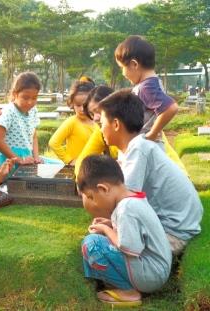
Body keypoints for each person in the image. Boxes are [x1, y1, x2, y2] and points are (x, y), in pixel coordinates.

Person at [99, 89, 203, 255]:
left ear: (116, 124)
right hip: (179, 223)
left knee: (105, 249)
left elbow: (126, 199)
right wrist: (112, 223)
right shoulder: (136, 146)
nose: (101, 129)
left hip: (174, 233)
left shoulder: (138, 149)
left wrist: (110, 227)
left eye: (102, 123)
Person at [78, 155, 172, 307]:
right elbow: (135, 231)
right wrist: (110, 223)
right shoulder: (132, 199)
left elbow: (128, 247)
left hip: (151, 275)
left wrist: (105, 229)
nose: (92, 202)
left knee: (91, 244)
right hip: (156, 270)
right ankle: (120, 283)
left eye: (91, 196)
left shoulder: (126, 209)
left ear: (103, 189)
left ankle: (128, 291)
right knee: (97, 240)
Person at [115, 35, 179, 150]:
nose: (122, 73)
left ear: (134, 64)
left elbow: (171, 108)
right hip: (147, 145)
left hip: (146, 146)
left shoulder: (146, 87)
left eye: (122, 68)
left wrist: (152, 134)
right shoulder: (150, 83)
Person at [0, 72, 42, 165]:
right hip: (10, 161)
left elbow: (33, 136)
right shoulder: (9, 111)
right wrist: (18, 159)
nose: (30, 102)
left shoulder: (33, 110)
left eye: (34, 98)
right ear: (15, 94)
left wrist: (37, 157)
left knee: (58, 165)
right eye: (25, 98)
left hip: (27, 158)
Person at [49, 80, 97, 165]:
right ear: (72, 104)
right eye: (78, 105)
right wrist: (69, 160)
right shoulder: (71, 122)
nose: (82, 109)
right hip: (77, 170)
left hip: (96, 168)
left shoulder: (97, 122)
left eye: (85, 105)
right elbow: (53, 143)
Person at [74, 85, 117, 177]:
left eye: (98, 111)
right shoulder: (100, 132)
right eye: (92, 113)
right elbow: (82, 162)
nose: (95, 118)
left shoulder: (134, 132)